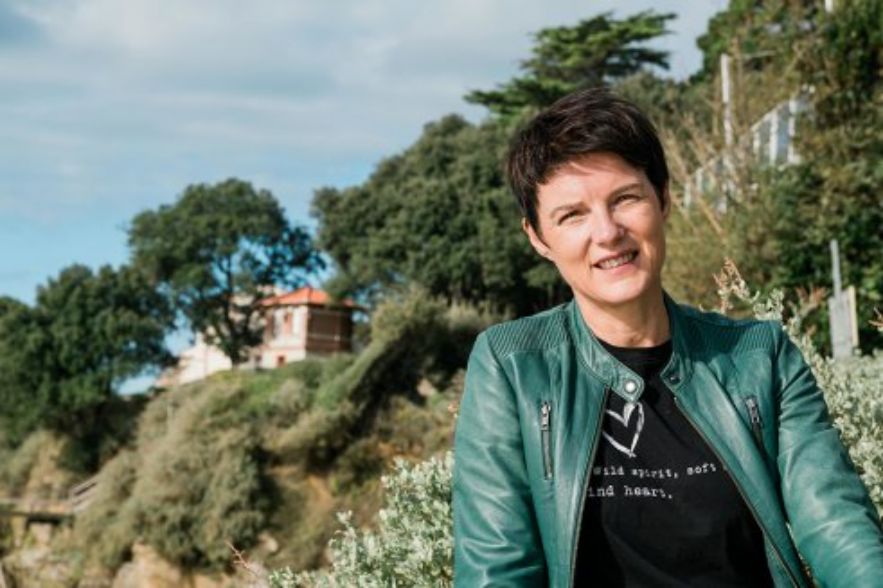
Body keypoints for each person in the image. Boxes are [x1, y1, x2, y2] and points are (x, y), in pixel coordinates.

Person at [452, 87, 883, 587]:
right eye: (572, 215)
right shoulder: (513, 365)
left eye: (625, 199)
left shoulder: (759, 357)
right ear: (538, 237)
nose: (607, 233)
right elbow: (497, 568)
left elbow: (836, 525)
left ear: (663, 198)